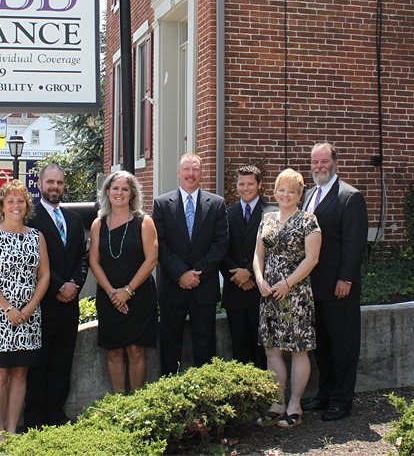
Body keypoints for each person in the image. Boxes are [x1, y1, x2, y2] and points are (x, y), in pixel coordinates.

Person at [0, 180, 50, 439]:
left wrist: (28, 308)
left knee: (20, 373)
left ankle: (11, 429)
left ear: (27, 206)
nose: (16, 206)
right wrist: (8, 308)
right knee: (0, 374)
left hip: (29, 316)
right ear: (2, 207)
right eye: (11, 201)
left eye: (21, 201)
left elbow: (44, 276)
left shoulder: (36, 236)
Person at [301, 143, 368, 421]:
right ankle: (325, 395)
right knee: (323, 346)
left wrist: (346, 278)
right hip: (311, 287)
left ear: (335, 162)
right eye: (315, 162)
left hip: (339, 288)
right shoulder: (307, 195)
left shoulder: (350, 197)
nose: (319, 167)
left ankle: (342, 401)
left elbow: (354, 245)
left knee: (343, 345)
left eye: (324, 161)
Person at [253, 168, 322, 429]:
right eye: (281, 190)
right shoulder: (267, 218)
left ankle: (294, 405)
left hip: (296, 295)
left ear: (299, 194)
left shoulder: (308, 221)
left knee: (298, 349)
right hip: (269, 293)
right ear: (275, 191)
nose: (285, 195)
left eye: (291, 191)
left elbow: (312, 259)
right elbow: (259, 254)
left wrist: (287, 283)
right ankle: (277, 403)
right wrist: (259, 279)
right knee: (272, 350)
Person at [152, 153, 229, 376]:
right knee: (169, 344)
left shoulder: (216, 204)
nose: (190, 174)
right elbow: (160, 244)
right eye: (186, 169)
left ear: (201, 173)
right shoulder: (162, 204)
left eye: (195, 169)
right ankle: (170, 393)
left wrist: (197, 274)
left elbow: (220, 243)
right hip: (172, 287)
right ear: (178, 172)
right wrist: (181, 274)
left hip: (203, 288)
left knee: (205, 345)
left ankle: (204, 393)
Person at [24, 164, 89, 427]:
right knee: (39, 364)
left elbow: (82, 258)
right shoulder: (30, 219)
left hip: (69, 305)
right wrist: (59, 287)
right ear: (40, 185)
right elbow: (34, 261)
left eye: (59, 183)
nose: (55, 187)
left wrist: (74, 285)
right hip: (43, 304)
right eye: (50, 182)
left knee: (63, 362)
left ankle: (56, 414)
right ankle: (35, 418)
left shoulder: (73, 220)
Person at [89, 171, 158, 392]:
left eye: (125, 189)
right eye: (115, 188)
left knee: (136, 350)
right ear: (107, 192)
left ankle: (135, 404)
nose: (119, 193)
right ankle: (119, 404)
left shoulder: (144, 222)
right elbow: (93, 261)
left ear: (132, 194)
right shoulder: (98, 224)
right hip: (109, 298)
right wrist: (112, 293)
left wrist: (127, 291)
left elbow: (151, 260)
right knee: (114, 351)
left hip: (139, 296)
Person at [220, 165, 276, 369]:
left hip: (261, 292)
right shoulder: (226, 214)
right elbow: (220, 249)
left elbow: (273, 251)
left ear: (259, 185)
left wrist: (250, 273)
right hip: (235, 291)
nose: (245, 188)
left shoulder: (272, 213)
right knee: (239, 349)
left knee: (263, 349)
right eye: (241, 184)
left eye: (250, 184)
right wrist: (237, 276)